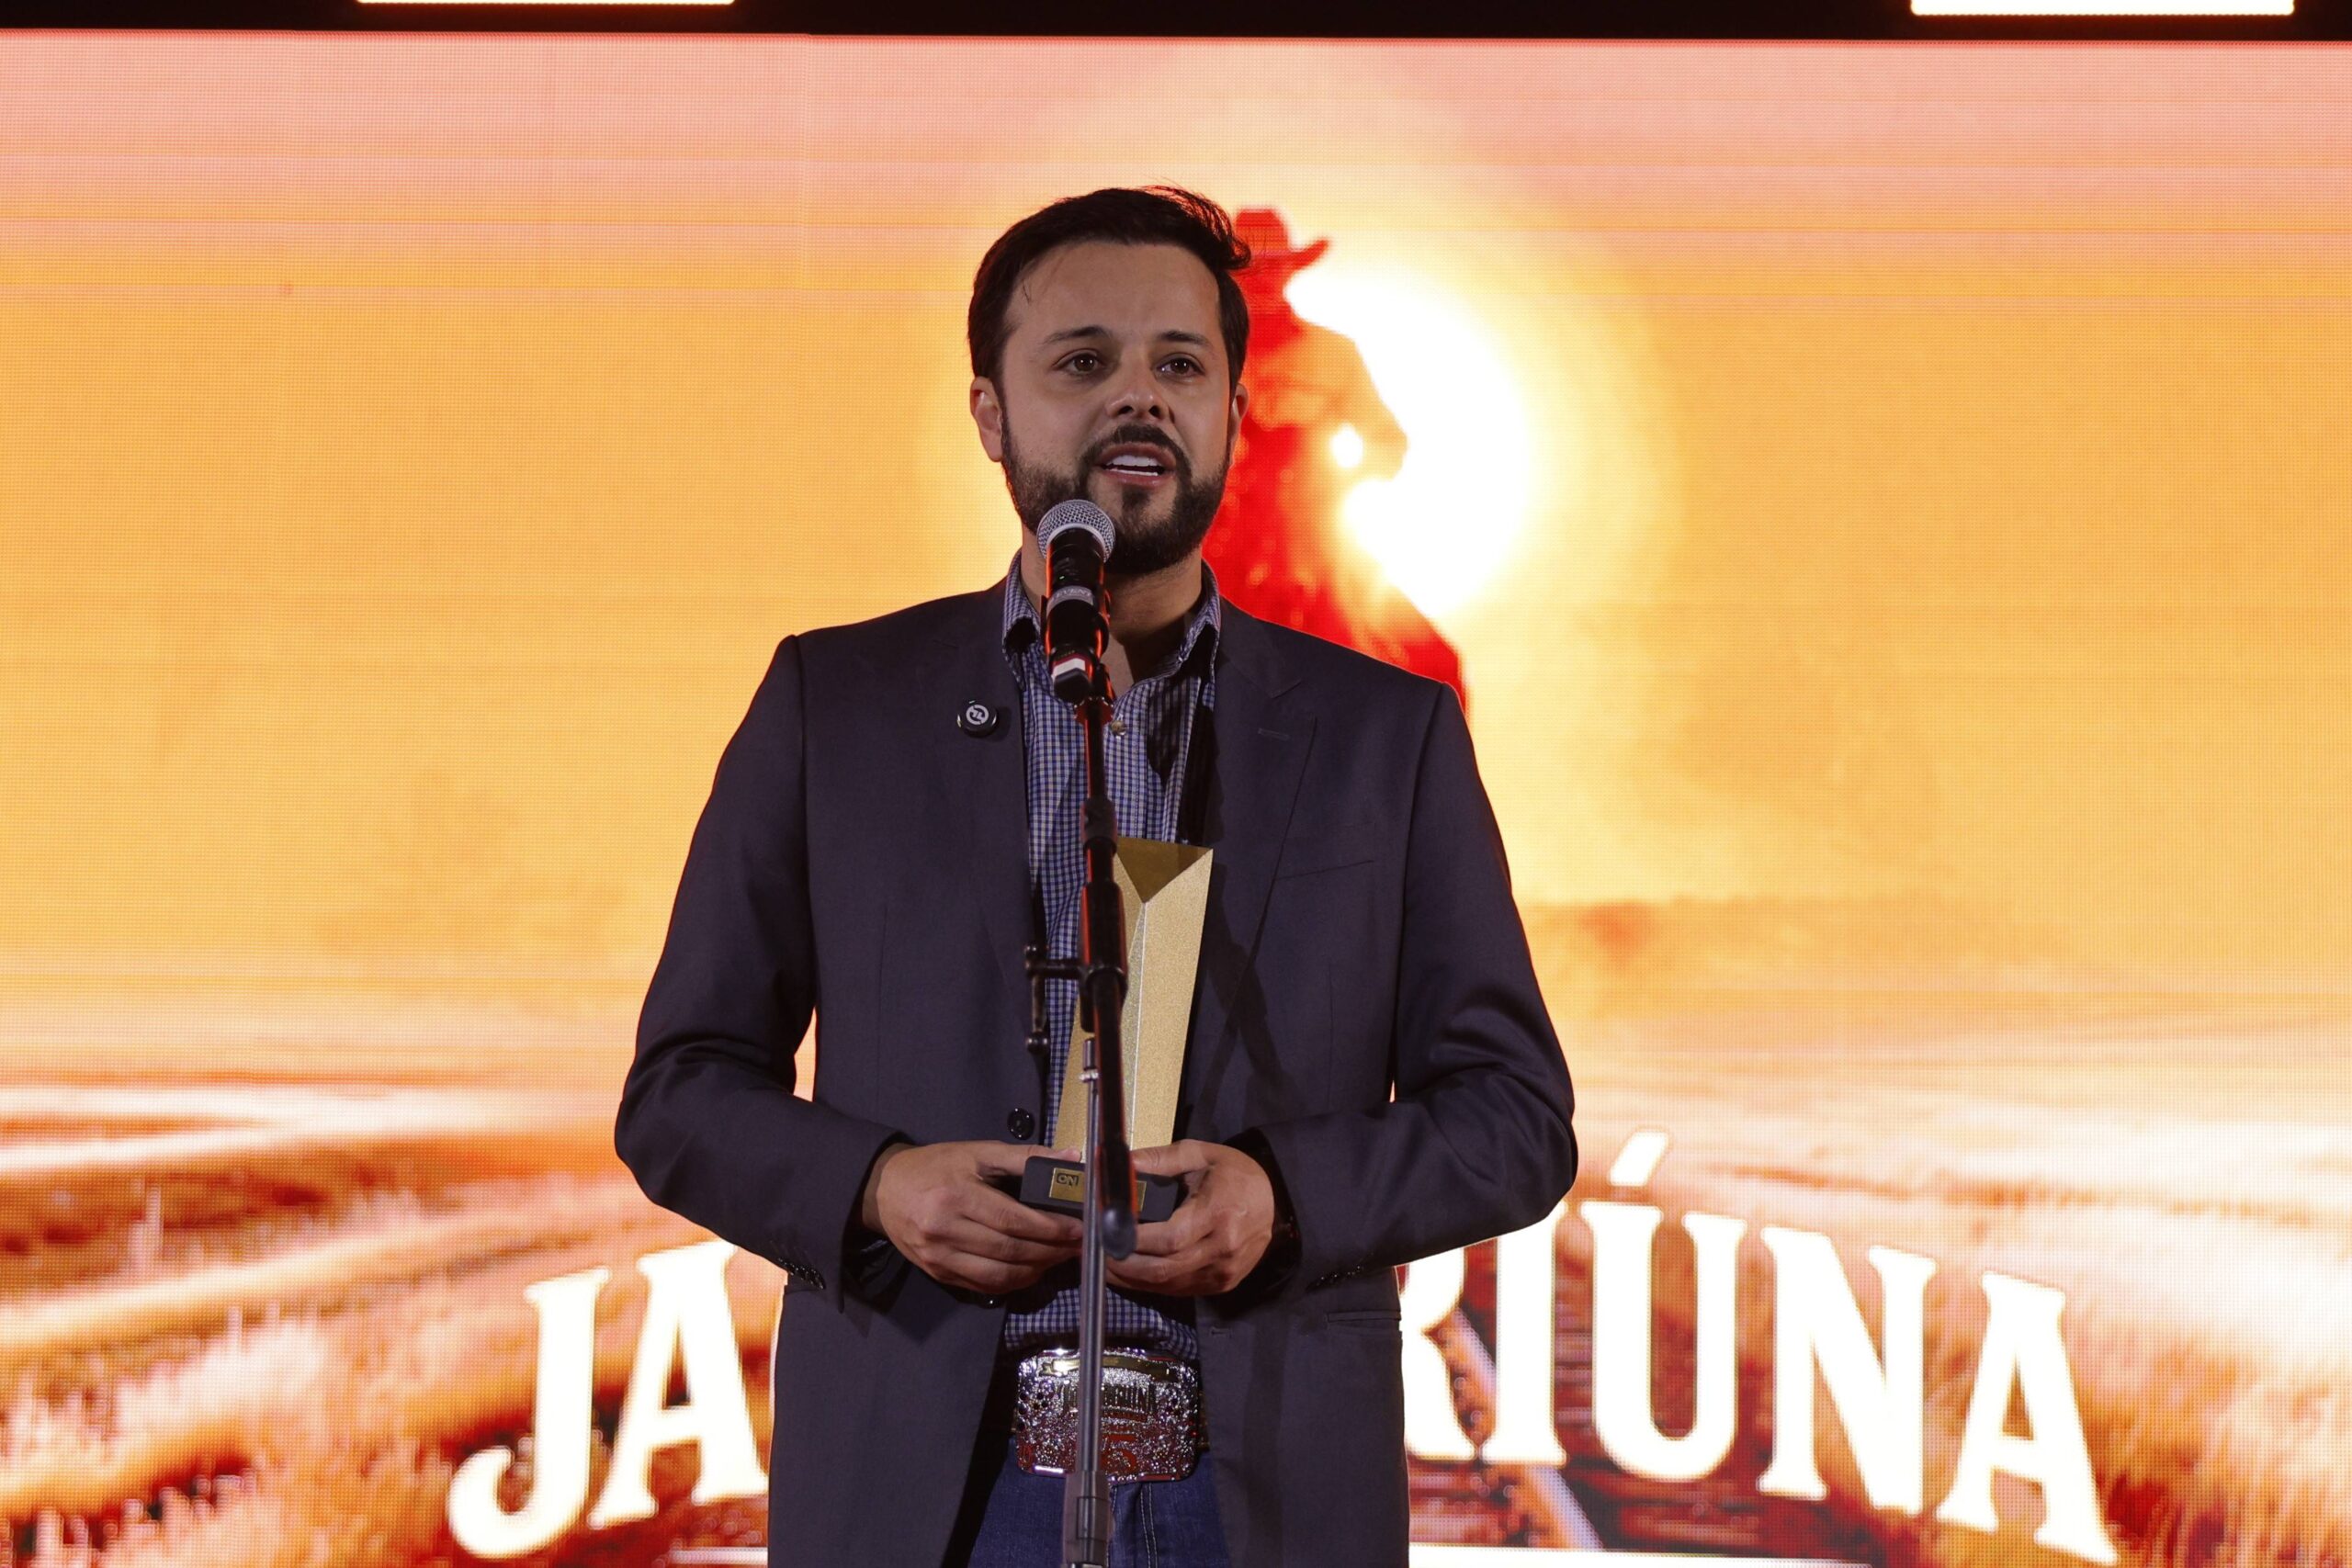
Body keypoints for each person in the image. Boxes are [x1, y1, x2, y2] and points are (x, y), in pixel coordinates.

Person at [616, 186, 1577, 1568]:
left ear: (1233, 413)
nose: (1138, 395)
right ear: (990, 412)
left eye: (1179, 364)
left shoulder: (1392, 732)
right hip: (925, 1500)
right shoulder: (834, 703)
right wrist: (877, 1187)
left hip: (1258, 1500)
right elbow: (681, 1090)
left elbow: (1514, 1116)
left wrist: (1285, 1197)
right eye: (1082, 360)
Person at [1205, 208, 1468, 709]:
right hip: (1221, 536)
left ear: (1289, 272)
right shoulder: (1201, 356)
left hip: (1319, 544)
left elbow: (1387, 440)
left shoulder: (1331, 353)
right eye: (1251, 268)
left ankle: (1434, 761)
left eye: (1272, 267)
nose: (1262, 279)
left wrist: (1340, 484)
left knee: (1438, 666)